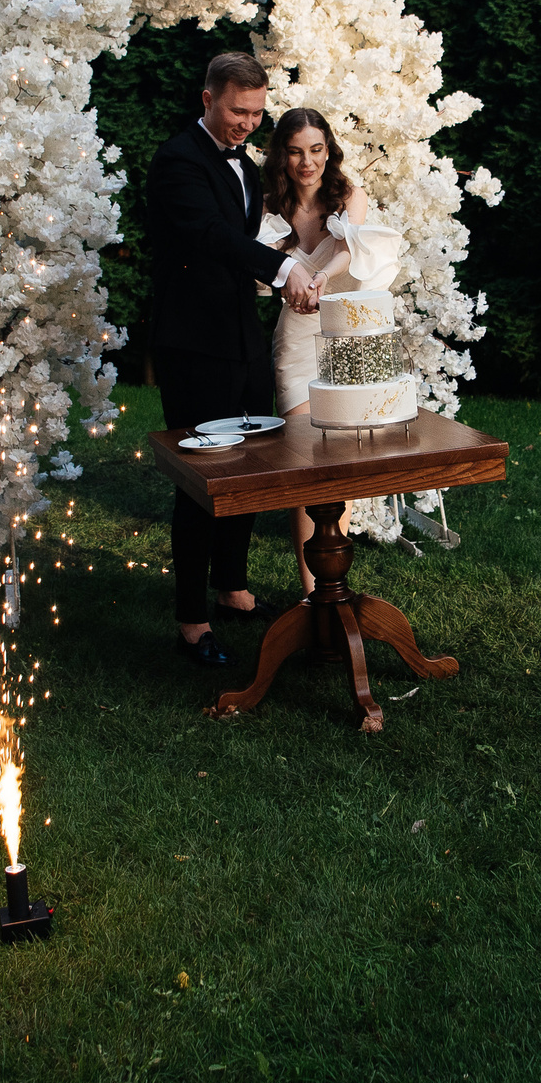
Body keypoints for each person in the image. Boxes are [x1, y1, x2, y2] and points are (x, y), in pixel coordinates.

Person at [145, 52, 323, 666]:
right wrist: (282, 268)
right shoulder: (178, 161)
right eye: (236, 110)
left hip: (241, 337)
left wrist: (279, 269)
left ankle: (235, 591)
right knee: (205, 478)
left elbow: (245, 246)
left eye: (256, 111)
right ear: (208, 100)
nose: (247, 122)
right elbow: (211, 239)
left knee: (248, 468)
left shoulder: (246, 170)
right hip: (192, 342)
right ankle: (192, 622)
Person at [258, 109, 405, 594]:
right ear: (283, 153)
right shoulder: (266, 204)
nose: (307, 162)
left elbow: (346, 251)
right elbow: (260, 270)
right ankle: (312, 593)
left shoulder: (348, 197)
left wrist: (318, 277)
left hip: (345, 335)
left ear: (329, 150)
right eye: (297, 151)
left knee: (336, 461)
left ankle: (334, 586)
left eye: (316, 150)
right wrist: (284, 278)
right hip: (297, 340)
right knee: (306, 461)